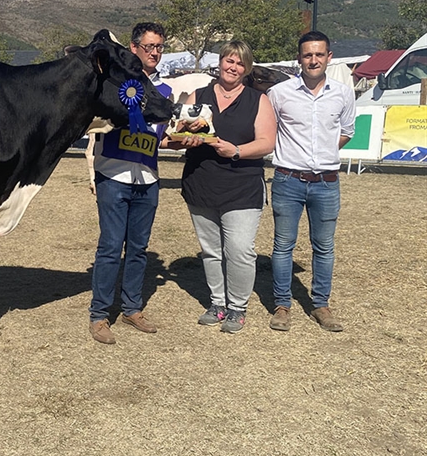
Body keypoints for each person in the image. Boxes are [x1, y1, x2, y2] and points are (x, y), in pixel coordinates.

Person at [170, 40, 276, 333]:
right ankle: (217, 303)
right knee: (211, 250)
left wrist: (237, 151)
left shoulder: (258, 100)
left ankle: (237, 308)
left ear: (247, 68)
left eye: (240, 63)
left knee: (240, 250)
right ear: (220, 63)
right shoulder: (198, 96)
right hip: (201, 183)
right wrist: (184, 139)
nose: (233, 67)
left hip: (242, 187)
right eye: (229, 60)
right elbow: (171, 137)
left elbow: (268, 142)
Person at [87, 22, 172, 344]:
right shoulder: (116, 83)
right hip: (114, 176)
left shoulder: (165, 91)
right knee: (110, 247)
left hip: (148, 180)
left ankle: (132, 308)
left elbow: (160, 138)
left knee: (138, 248)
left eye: (159, 47)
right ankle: (99, 315)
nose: (154, 53)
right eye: (149, 47)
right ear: (134, 48)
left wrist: (180, 140)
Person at [268, 31, 355, 332]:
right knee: (282, 246)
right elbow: (269, 131)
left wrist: (323, 154)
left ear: (329, 57)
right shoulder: (279, 93)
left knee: (324, 247)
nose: (313, 60)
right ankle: (282, 305)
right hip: (287, 179)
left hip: (326, 182)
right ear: (299, 58)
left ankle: (320, 305)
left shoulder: (344, 94)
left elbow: (347, 132)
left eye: (319, 54)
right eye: (308, 55)